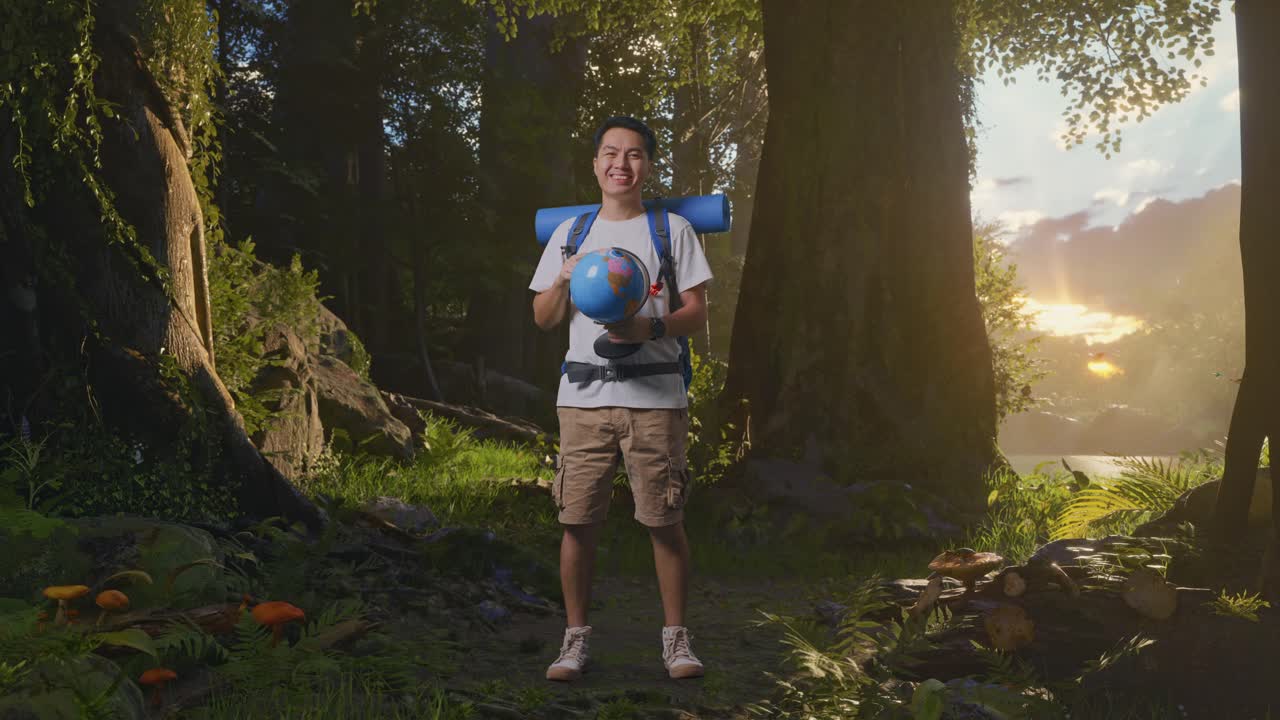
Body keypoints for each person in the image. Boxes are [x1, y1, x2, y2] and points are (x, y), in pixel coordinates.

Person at [528, 116, 713, 682]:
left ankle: (676, 640)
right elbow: (542, 318)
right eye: (611, 153)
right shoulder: (571, 234)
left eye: (634, 155)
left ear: (648, 166)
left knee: (663, 519)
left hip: (656, 396)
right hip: (581, 398)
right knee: (577, 520)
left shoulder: (671, 229)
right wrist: (560, 281)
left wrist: (649, 332)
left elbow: (697, 310)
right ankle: (574, 640)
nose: (621, 163)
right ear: (595, 164)